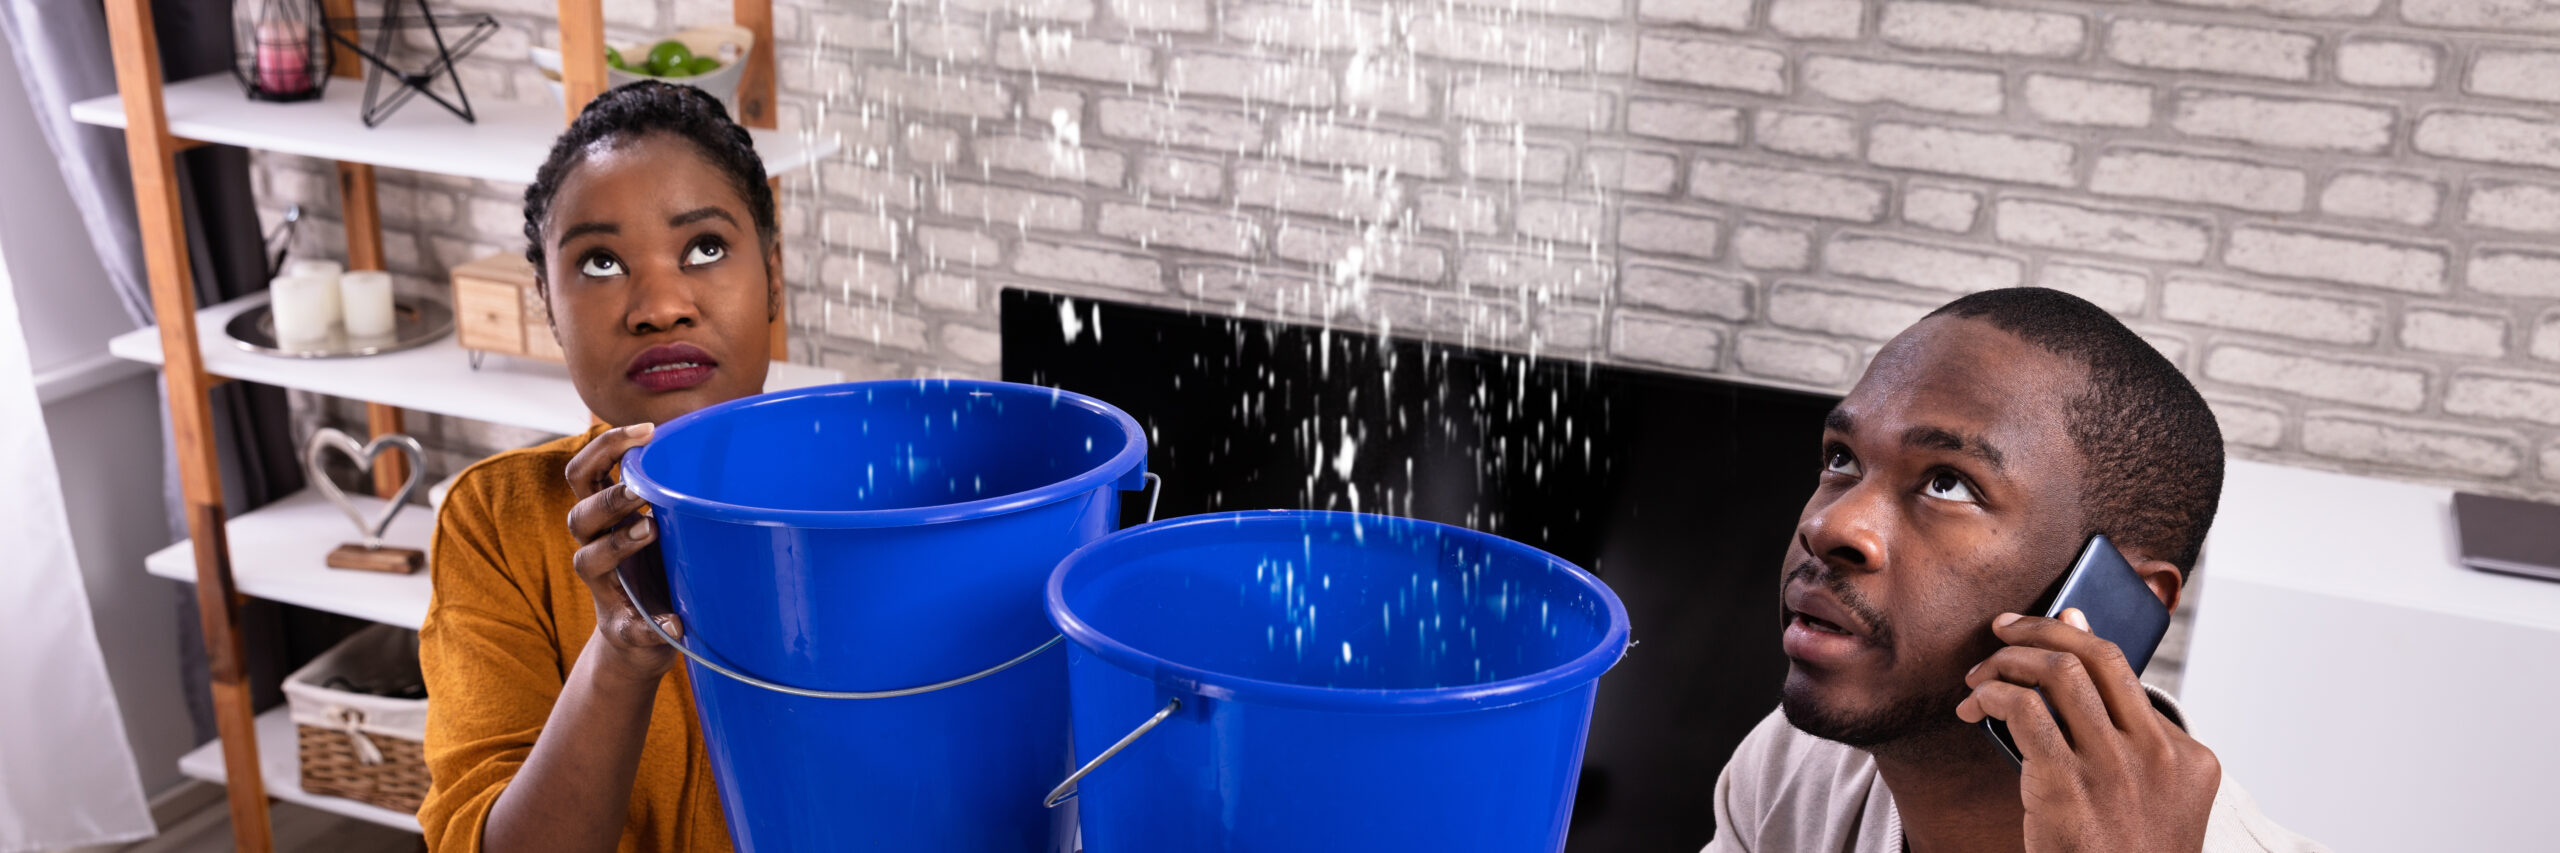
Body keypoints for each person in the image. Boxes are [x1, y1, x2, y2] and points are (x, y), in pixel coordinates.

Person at [1703, 288, 2327, 853]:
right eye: (1842, 458)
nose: (1831, 526)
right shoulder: (1798, 766)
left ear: (2121, 600)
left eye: (1948, 483)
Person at [417, 80, 782, 853]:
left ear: (774, 279)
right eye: (601, 263)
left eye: (705, 248)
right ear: (548, 307)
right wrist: (619, 648)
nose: (659, 304)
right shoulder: (497, 522)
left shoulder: (871, 501)